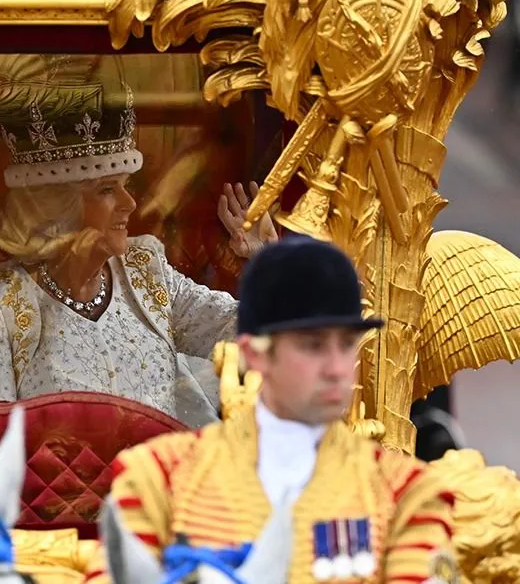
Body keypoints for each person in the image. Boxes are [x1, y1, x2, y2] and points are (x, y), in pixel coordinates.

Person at [93, 236, 455, 583]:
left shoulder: (405, 491)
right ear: (254, 354)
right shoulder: (158, 477)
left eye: (346, 344)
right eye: (312, 346)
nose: (336, 367)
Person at [0, 83, 277, 427]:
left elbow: (250, 341)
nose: (129, 203)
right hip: (56, 482)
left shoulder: (145, 271)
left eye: (125, 185)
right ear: (56, 206)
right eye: (106, 190)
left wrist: (270, 262)